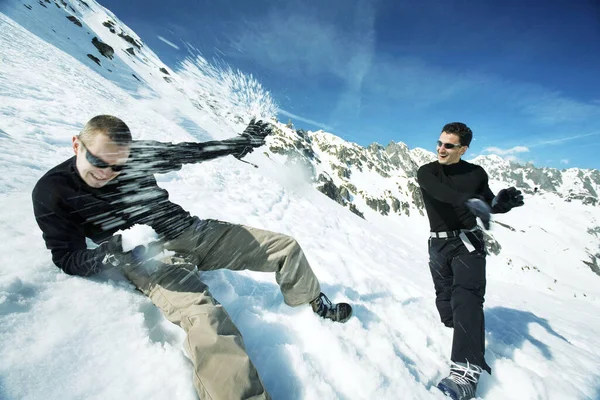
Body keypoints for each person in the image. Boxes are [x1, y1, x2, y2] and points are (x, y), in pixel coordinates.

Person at [32, 115, 352, 400]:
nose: (108, 173)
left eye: (118, 165)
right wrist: (111, 251)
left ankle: (312, 301)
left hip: (194, 232)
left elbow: (191, 152)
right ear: (77, 144)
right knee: (208, 322)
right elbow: (68, 259)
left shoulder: (136, 157)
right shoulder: (53, 191)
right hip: (153, 259)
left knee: (285, 247)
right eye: (99, 162)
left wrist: (239, 143)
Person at [416, 122, 524, 400]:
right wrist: (468, 201)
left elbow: (487, 204)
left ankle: (465, 372)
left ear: (463, 149)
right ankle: (460, 331)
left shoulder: (477, 173)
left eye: (448, 145)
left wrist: (502, 203)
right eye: (439, 143)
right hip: (438, 244)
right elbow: (442, 194)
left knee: (467, 297)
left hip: (468, 242)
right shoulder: (428, 172)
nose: (441, 148)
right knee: (446, 302)